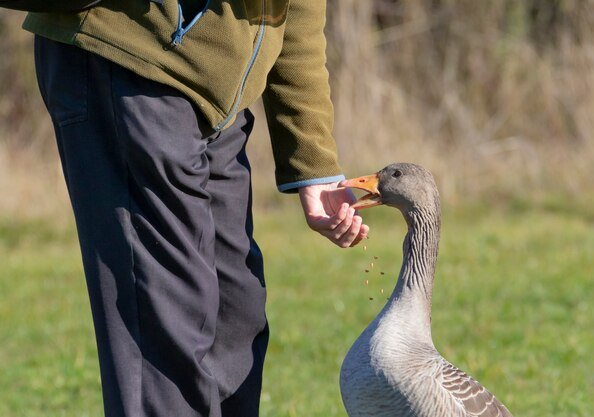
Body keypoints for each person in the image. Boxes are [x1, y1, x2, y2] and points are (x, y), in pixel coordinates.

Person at [22, 1, 368, 416]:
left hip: (218, 99)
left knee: (234, 318)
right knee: (168, 334)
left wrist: (312, 164)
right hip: (134, 61)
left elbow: (295, 13)